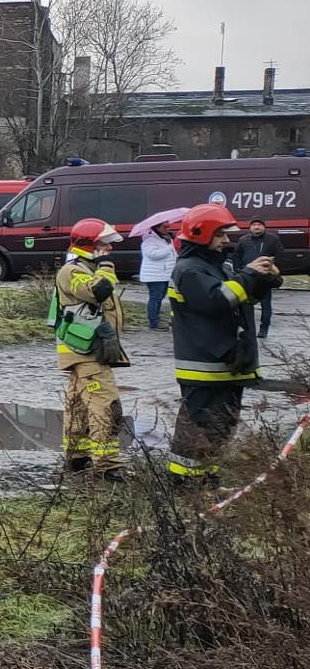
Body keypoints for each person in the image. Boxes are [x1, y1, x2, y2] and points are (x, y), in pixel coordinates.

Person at [167, 204, 281, 485]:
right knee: (198, 427)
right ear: (202, 234)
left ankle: (208, 476)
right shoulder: (189, 270)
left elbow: (241, 300)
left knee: (221, 427)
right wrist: (248, 275)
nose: (226, 241)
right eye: (220, 235)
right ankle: (184, 484)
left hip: (227, 362)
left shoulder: (216, 266)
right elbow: (217, 301)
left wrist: (266, 280)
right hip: (205, 366)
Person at [54, 218, 130, 477]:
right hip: (86, 351)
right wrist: (106, 267)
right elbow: (96, 292)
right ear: (90, 245)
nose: (109, 250)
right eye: (104, 245)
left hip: (86, 351)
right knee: (104, 404)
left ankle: (77, 456)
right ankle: (108, 464)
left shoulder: (86, 268)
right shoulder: (72, 271)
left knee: (79, 405)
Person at [232, 218, 282, 338]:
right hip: (248, 277)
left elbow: (280, 254)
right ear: (250, 227)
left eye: (259, 224)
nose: (256, 227)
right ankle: (245, 329)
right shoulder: (243, 240)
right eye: (254, 225)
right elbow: (236, 256)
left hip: (265, 277)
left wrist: (273, 269)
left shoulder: (272, 239)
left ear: (264, 227)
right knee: (245, 304)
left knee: (266, 305)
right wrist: (239, 270)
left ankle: (264, 329)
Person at [139, 222, 177, 331]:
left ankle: (156, 319)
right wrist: (169, 247)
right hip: (154, 275)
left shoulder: (165, 239)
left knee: (159, 298)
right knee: (155, 298)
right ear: (158, 227)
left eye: (168, 226)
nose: (168, 229)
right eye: (165, 227)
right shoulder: (149, 240)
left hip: (164, 274)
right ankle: (153, 322)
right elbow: (153, 255)